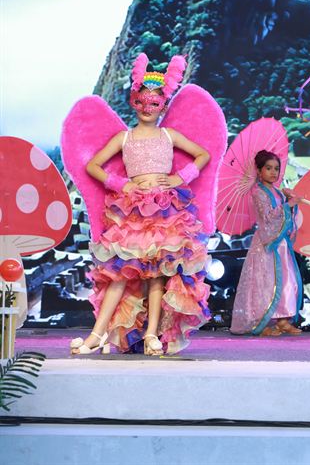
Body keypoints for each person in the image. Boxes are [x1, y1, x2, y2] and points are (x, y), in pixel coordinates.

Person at [70, 55, 212, 355]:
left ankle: (151, 335)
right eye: (142, 102)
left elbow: (203, 155)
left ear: (163, 106)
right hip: (133, 211)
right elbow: (93, 166)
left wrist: (179, 178)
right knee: (121, 273)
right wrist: (122, 184)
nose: (148, 108)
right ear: (134, 102)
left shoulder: (169, 135)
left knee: (159, 273)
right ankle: (97, 334)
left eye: (154, 103)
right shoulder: (124, 138)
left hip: (165, 210)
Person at [230, 150, 303, 336]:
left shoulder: (278, 192)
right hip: (267, 245)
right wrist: (288, 205)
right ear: (259, 171)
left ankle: (283, 321)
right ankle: (261, 325)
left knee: (287, 281)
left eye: (276, 169)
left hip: (281, 244)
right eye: (268, 168)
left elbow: (284, 217)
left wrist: (289, 202)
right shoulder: (258, 192)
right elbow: (268, 217)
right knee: (265, 284)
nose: (273, 172)